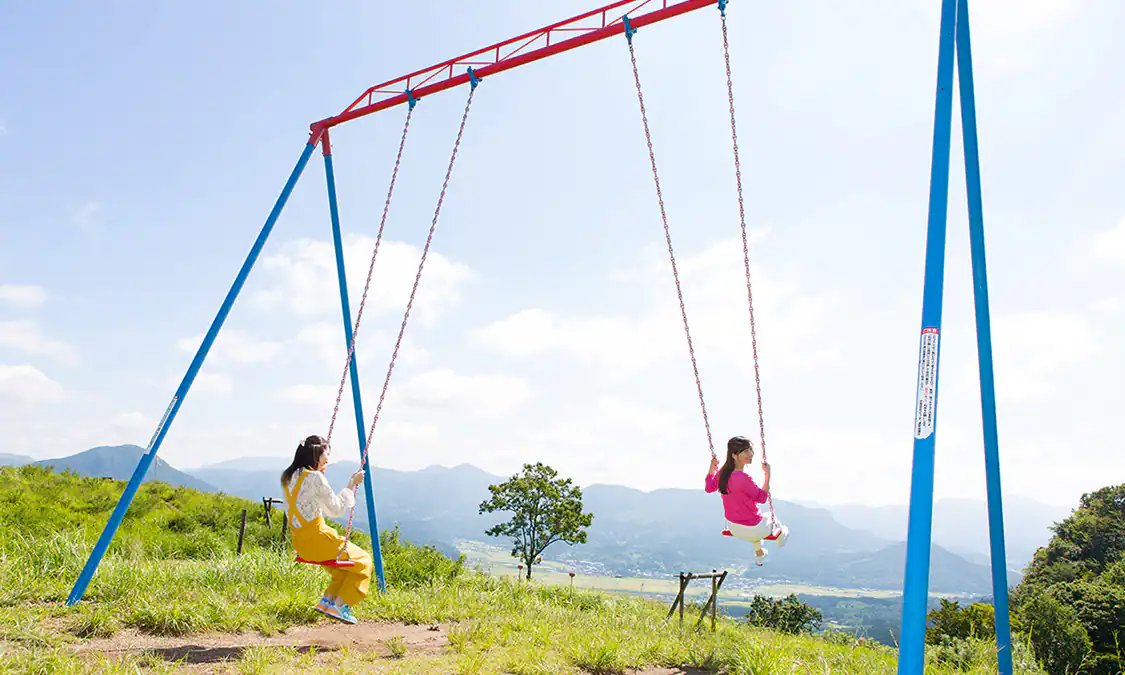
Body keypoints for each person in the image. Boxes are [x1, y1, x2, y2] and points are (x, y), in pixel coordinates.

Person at [280, 434, 372, 624]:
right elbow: (336, 510)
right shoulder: (315, 478)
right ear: (316, 456)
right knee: (363, 561)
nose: (327, 461)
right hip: (319, 539)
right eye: (325, 458)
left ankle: (328, 601)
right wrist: (351, 483)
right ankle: (341, 604)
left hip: (300, 543)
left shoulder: (289, 476)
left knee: (343, 571)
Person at [705, 435, 789, 565]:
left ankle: (759, 554)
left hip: (734, 528)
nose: (751, 454)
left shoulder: (723, 473)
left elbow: (709, 487)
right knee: (771, 519)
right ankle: (781, 539)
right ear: (734, 455)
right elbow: (762, 498)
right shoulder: (743, 478)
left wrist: (712, 467)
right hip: (754, 529)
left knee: (754, 528)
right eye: (745, 451)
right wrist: (767, 476)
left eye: (750, 450)